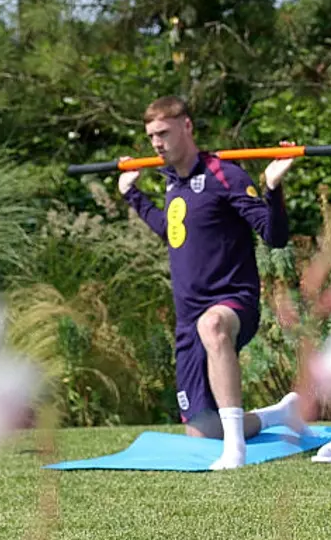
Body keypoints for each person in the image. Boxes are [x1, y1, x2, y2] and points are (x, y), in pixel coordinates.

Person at [118, 97, 305, 469]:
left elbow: (274, 235)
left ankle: (235, 450)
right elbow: (173, 234)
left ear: (186, 126)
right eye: (151, 136)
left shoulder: (225, 175)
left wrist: (272, 186)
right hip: (187, 321)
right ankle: (276, 415)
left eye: (164, 133)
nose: (156, 143)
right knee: (202, 430)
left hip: (233, 301)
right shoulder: (173, 183)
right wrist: (133, 196)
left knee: (213, 324)